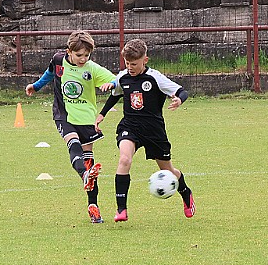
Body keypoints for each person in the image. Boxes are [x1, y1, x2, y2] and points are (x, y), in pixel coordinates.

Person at [95, 38, 195, 222]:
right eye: (127, 63)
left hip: (154, 130)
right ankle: (121, 210)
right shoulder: (122, 77)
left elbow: (182, 91)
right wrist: (102, 114)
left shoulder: (155, 77)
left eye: (134, 64)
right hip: (130, 126)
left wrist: (179, 99)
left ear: (145, 60)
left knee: (168, 169)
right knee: (124, 159)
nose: (130, 67)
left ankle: (186, 192)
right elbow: (114, 95)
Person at [25, 31, 116, 223]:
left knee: (89, 161)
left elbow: (115, 80)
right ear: (69, 52)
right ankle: (84, 175)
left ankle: (93, 206)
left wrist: (111, 84)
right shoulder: (59, 60)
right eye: (79, 55)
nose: (83, 59)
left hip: (86, 119)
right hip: (64, 115)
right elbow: (50, 73)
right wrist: (37, 86)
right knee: (73, 143)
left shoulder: (92, 69)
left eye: (87, 55)